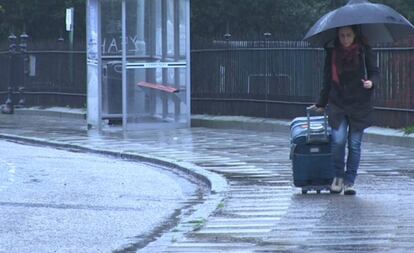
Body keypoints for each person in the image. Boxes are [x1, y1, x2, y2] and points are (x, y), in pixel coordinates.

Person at [309, 25, 379, 195]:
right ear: (338, 36)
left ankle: (349, 181)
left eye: (348, 35)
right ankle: (338, 177)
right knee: (338, 141)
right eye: (342, 36)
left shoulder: (364, 51)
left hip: (359, 104)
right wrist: (321, 103)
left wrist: (371, 82)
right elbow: (327, 80)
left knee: (354, 145)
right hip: (338, 103)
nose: (345, 39)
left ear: (355, 35)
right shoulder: (332, 53)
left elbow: (375, 72)